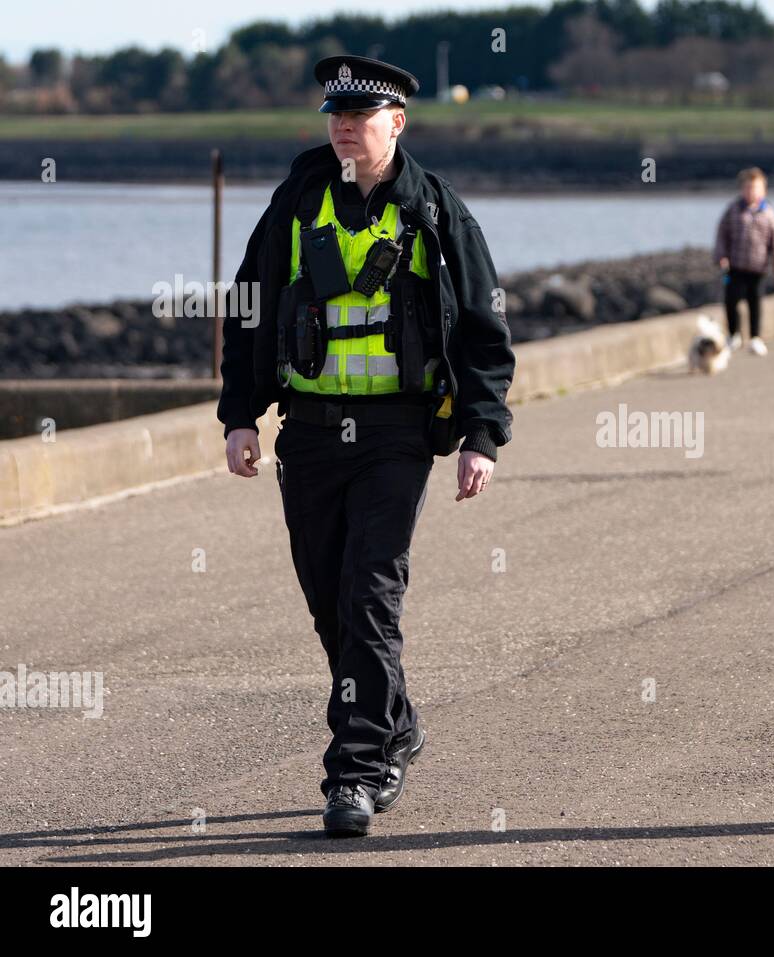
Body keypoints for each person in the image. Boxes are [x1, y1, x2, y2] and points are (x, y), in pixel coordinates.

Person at [218, 55, 515, 837]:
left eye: (361, 114)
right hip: (309, 433)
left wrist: (482, 433)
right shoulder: (294, 204)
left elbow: (486, 329)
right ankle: (396, 722)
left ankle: (354, 771)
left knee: (370, 593)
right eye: (335, 114)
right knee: (330, 605)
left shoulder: (438, 212)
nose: (345, 126)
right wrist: (240, 415)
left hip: (396, 434)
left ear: (397, 123)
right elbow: (248, 306)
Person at [713, 167, 774, 356]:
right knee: (731, 300)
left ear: (763, 190)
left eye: (755, 188)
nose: (751, 192)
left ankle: (755, 337)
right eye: (747, 188)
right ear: (741, 190)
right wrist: (720, 256)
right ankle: (734, 335)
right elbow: (722, 234)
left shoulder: (769, 213)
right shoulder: (733, 210)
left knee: (755, 303)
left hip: (758, 267)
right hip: (735, 266)